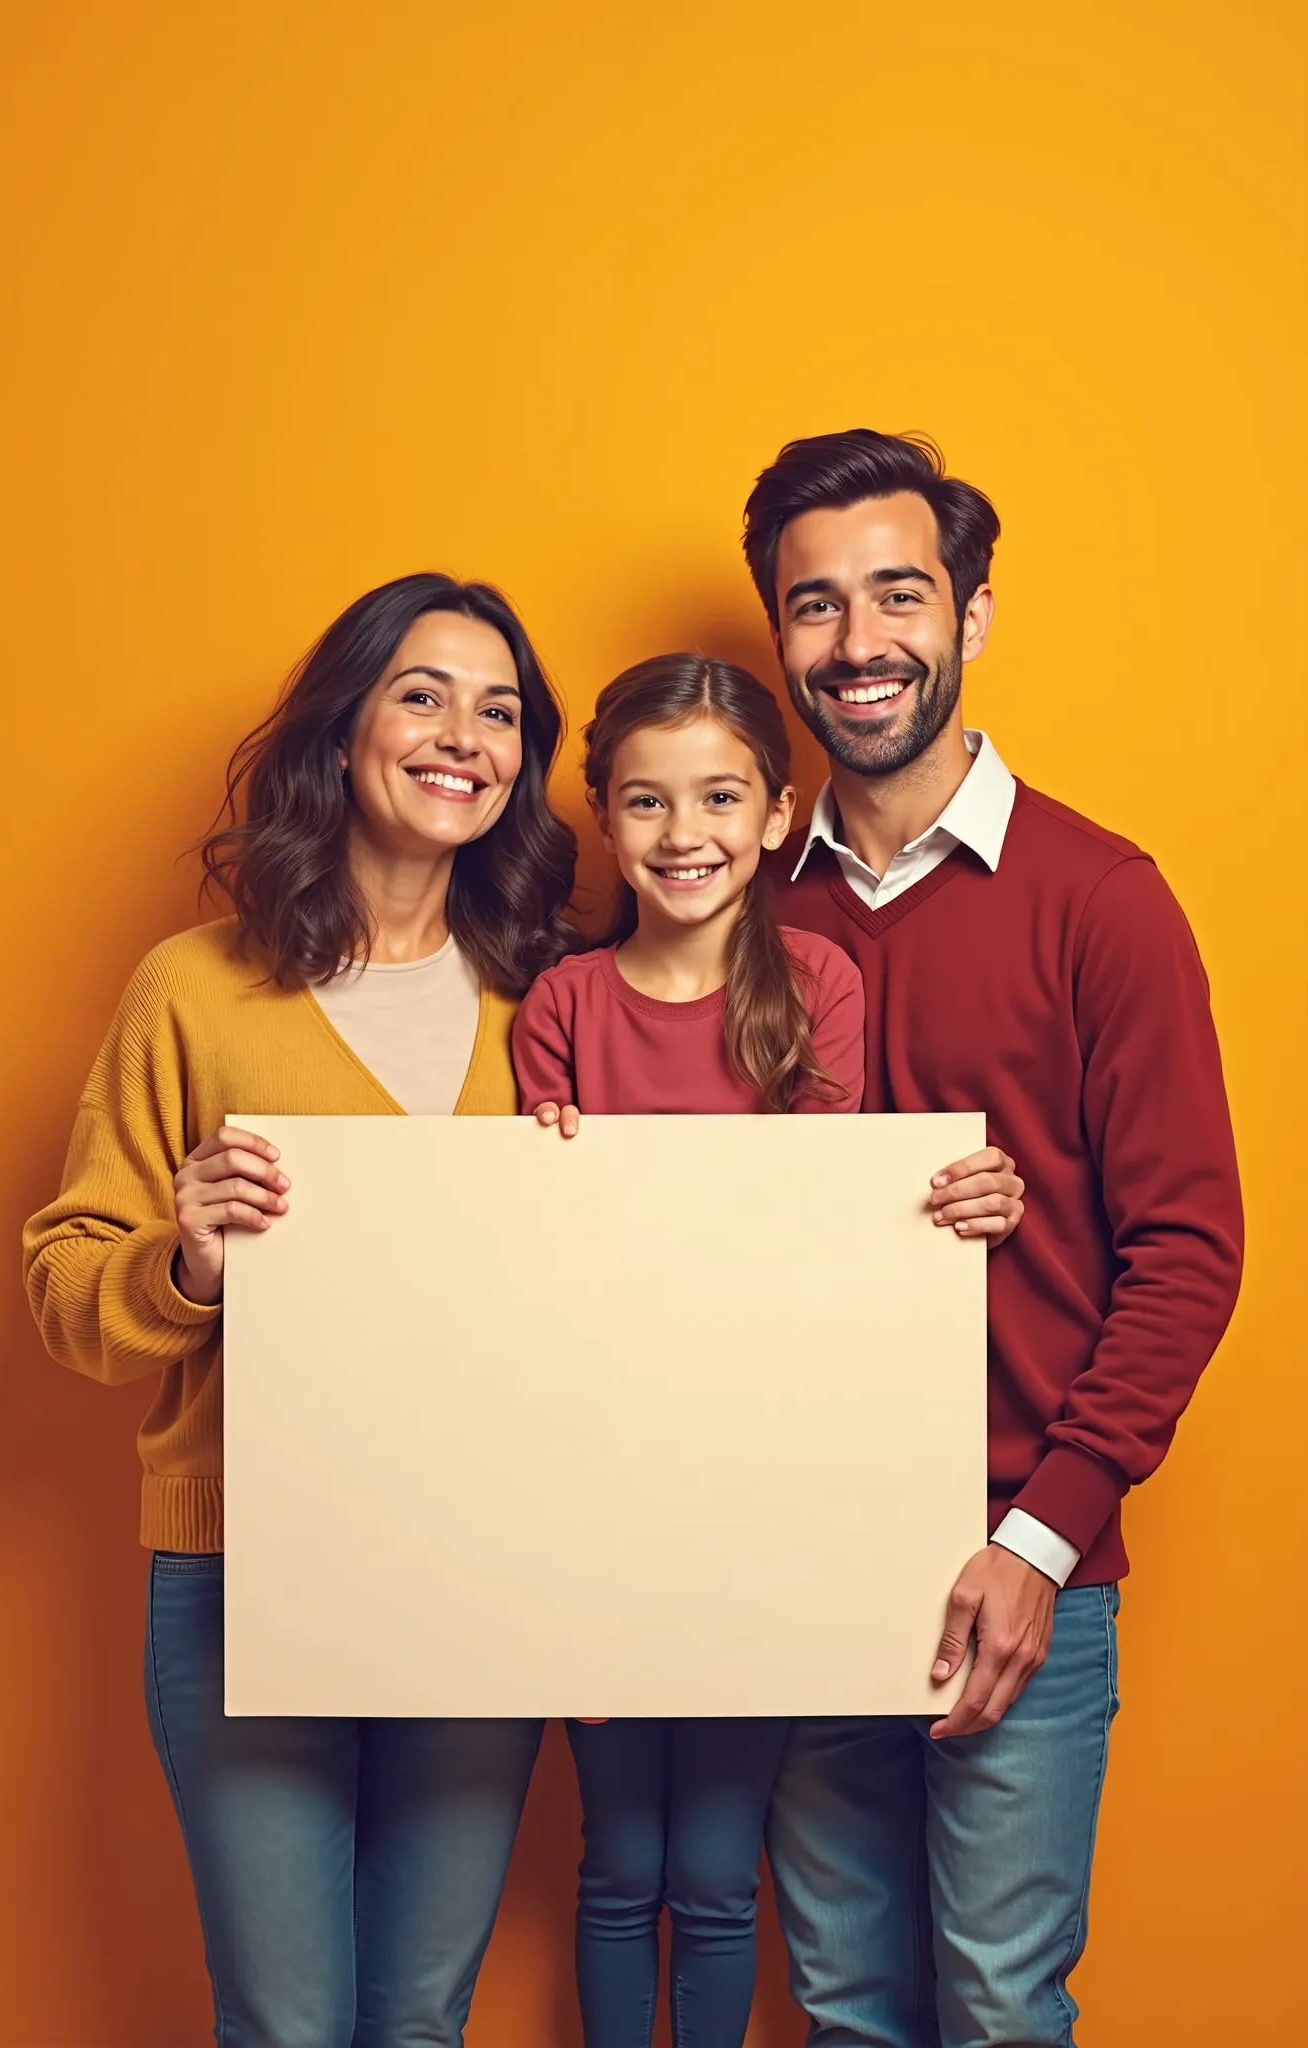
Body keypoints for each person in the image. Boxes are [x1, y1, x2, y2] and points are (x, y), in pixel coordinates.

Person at [22, 572, 578, 2048]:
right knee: (284, 2025)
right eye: (422, 692)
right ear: (343, 733)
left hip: (478, 1572)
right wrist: (184, 1260)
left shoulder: (561, 1003)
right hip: (244, 1569)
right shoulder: (194, 992)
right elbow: (67, 1294)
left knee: (419, 2020)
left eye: (501, 711)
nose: (464, 735)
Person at [740, 428, 1244, 2047]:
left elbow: (1186, 1247)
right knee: (842, 2008)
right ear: (778, 639)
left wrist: (1041, 1539)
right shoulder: (732, 909)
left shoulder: (1102, 898)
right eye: (814, 607)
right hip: (796, 1549)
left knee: (1005, 2007)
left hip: (1020, 1551)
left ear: (972, 615)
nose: (859, 642)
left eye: (900, 594)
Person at [510, 653, 1026, 2048]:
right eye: (647, 804)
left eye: (721, 797)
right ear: (604, 819)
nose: (685, 836)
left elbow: (817, 1242)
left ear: (775, 806)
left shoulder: (817, 983)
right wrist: (541, 1170)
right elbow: (543, 1280)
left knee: (717, 1878)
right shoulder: (560, 1005)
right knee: (620, 1870)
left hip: (757, 1507)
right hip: (598, 1505)